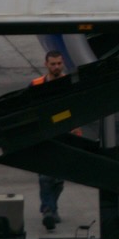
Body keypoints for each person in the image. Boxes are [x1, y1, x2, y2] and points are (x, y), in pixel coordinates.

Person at [32, 50, 68, 229]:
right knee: (45, 177)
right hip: (44, 135)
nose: (56, 67)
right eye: (53, 64)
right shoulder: (37, 85)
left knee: (59, 180)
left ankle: (52, 208)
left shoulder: (70, 83)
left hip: (65, 135)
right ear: (46, 64)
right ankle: (48, 210)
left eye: (59, 64)